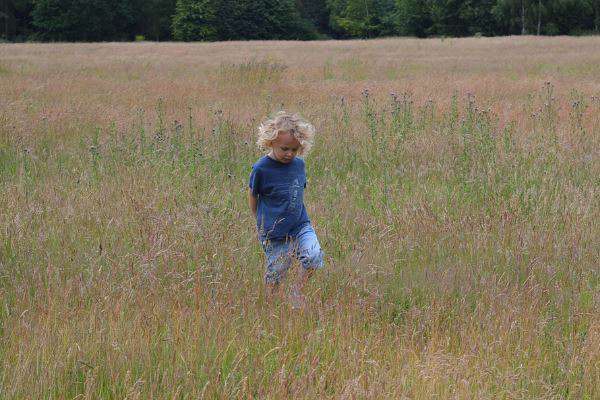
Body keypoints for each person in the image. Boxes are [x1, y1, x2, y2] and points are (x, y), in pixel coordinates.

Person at [248, 111, 324, 308]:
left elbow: (298, 192)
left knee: (314, 256)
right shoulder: (261, 169)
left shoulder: (299, 165)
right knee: (277, 271)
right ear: (271, 142)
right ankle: (271, 306)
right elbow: (253, 196)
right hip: (274, 232)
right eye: (284, 149)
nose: (289, 154)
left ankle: (297, 292)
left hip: (300, 225)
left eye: (294, 149)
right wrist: (260, 222)